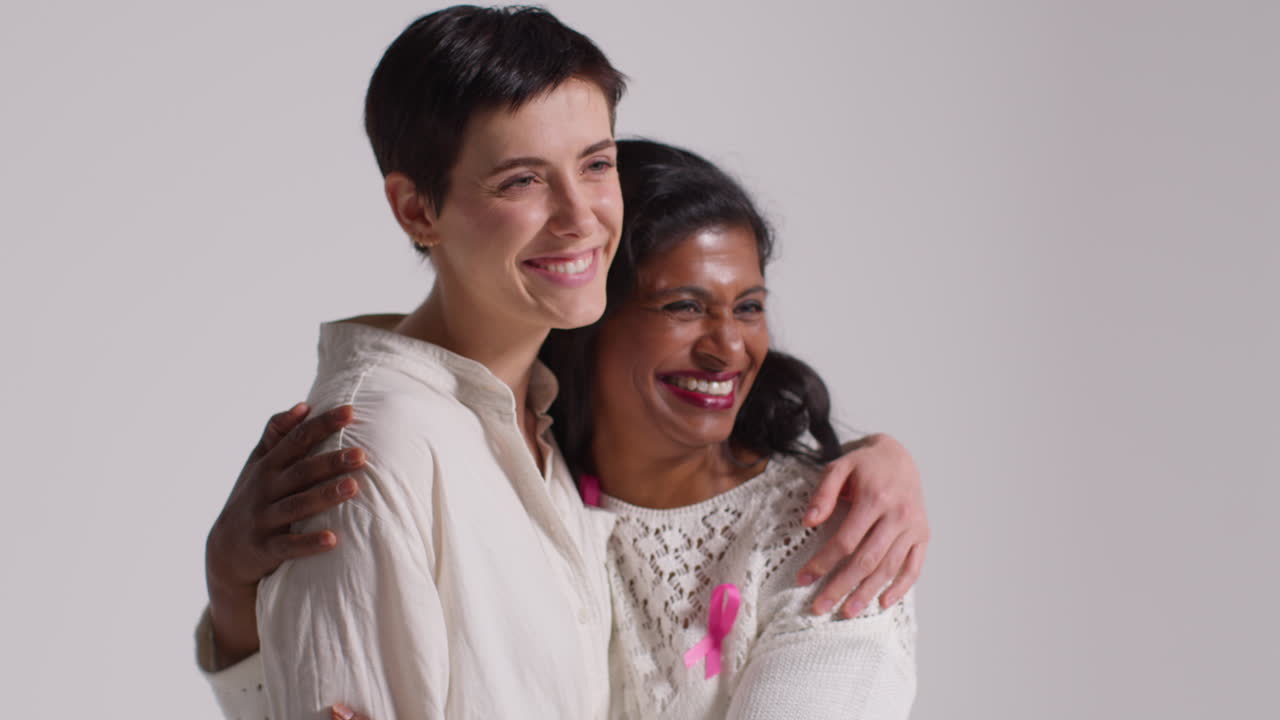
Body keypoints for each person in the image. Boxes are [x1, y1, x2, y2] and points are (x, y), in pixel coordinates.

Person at [195, 7, 927, 720]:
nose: (580, 217)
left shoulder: (540, 439)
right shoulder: (375, 449)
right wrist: (233, 596)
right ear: (418, 211)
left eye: (596, 164)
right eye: (522, 180)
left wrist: (879, 455)